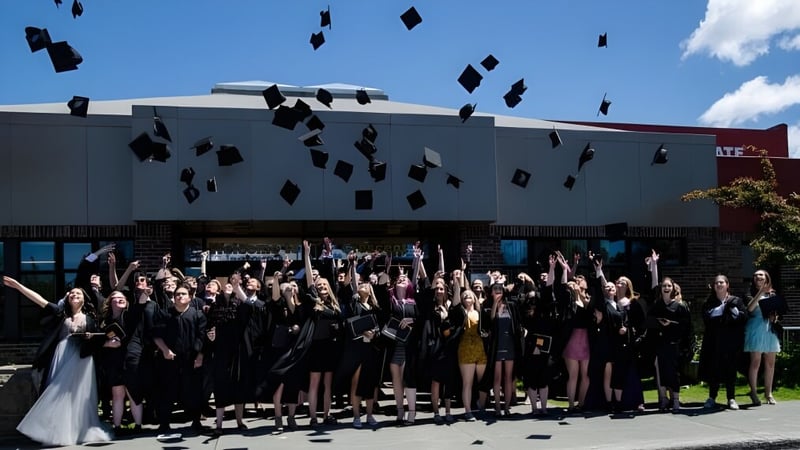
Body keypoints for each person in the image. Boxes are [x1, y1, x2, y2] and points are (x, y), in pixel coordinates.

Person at [4, 276, 112, 446]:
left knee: (79, 397)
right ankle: (56, 432)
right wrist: (18, 286)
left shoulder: (91, 319)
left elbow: (98, 339)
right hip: (62, 357)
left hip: (83, 361)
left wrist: (92, 337)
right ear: (68, 298)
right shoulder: (60, 314)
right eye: (72, 294)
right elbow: (40, 300)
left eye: (78, 293)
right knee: (57, 394)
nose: (74, 295)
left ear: (84, 299)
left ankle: (78, 431)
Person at [646, 252, 692, 413]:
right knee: (661, 372)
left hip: (674, 344)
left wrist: (670, 324)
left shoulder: (678, 306)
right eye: (664, 286)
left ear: (673, 289)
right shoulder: (657, 305)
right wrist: (653, 266)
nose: (666, 288)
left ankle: (676, 401)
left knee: (673, 373)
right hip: (659, 343)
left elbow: (685, 325)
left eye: (669, 286)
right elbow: (650, 320)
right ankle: (663, 399)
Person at [699, 274, 747, 410]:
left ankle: (731, 398)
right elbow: (707, 317)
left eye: (722, 282)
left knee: (730, 370)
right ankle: (712, 397)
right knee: (714, 370)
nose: (719, 285)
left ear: (727, 285)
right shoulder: (709, 302)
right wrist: (722, 308)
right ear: (714, 287)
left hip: (731, 342)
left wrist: (735, 312)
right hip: (714, 342)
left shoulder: (736, 301)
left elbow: (744, 318)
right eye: (716, 283)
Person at [744, 269, 783, 406]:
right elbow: (749, 308)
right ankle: (753, 392)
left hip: (769, 329)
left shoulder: (772, 293)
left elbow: (777, 311)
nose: (757, 277)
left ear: (766, 278)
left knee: (770, 363)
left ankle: (768, 393)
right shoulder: (750, 293)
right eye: (755, 276)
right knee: (755, 362)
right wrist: (760, 292)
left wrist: (775, 316)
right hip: (756, 328)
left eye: (760, 275)